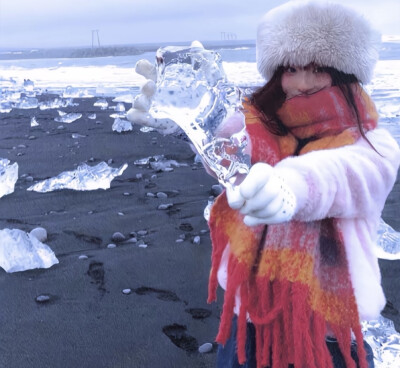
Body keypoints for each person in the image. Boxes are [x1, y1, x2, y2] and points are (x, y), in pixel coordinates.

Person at [128, 1, 400, 367]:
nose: (302, 82)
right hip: (251, 320)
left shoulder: (371, 145)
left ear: (345, 72)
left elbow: (340, 175)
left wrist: (291, 187)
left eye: (318, 68)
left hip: (327, 336)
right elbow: (227, 150)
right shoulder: (261, 125)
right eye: (291, 68)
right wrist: (180, 114)